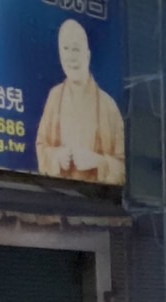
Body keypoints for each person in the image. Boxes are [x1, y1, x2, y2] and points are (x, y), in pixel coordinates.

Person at [35, 19, 125, 184]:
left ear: (87, 54)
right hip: (58, 194)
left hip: (96, 201)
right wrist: (57, 156)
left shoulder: (109, 106)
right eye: (66, 49)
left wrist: (98, 162)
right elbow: (41, 146)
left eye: (76, 49)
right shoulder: (55, 97)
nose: (71, 57)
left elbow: (125, 168)